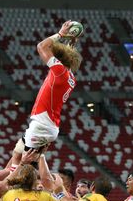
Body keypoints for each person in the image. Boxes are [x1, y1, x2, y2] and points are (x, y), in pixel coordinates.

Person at [12, 20, 82, 154]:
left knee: (24, 166)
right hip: (49, 125)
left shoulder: (59, 71)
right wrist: (72, 41)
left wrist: (61, 34)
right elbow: (69, 57)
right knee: (16, 154)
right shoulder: (71, 77)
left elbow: (41, 46)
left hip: (42, 125)